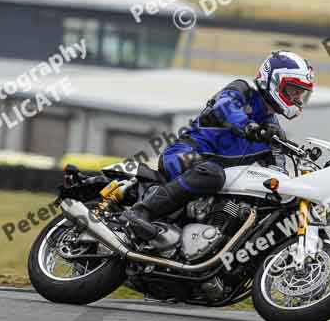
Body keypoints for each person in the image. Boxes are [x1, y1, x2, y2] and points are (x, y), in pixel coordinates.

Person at [124, 51, 315, 240]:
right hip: (186, 155)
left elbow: (277, 172)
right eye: (293, 90)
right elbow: (224, 106)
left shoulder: (272, 129)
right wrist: (249, 126)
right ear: (274, 81)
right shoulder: (243, 91)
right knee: (212, 174)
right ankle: (141, 212)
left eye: (301, 93)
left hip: (214, 182)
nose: (298, 98)